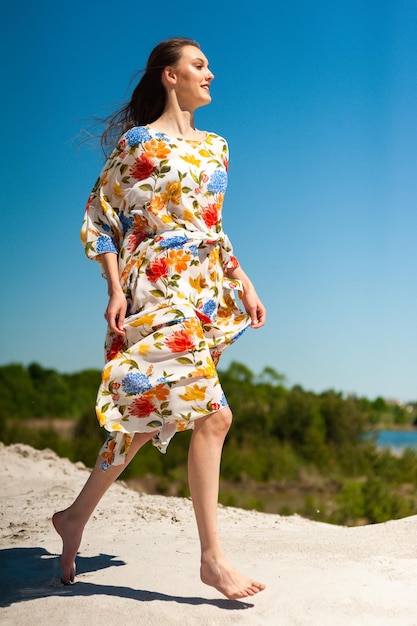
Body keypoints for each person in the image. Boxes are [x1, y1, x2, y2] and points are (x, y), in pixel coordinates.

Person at [53, 37, 266, 600]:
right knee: (213, 417)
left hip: (204, 287)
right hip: (155, 285)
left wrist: (241, 279)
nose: (210, 73)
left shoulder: (217, 147)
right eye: (199, 65)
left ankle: (73, 518)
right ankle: (213, 560)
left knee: (147, 417)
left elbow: (212, 225)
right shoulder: (139, 143)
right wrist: (115, 287)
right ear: (169, 76)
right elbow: (101, 216)